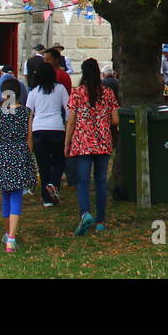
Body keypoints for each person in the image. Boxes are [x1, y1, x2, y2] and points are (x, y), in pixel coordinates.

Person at [65, 59, 119, 235]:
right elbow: (116, 120)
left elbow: (71, 121)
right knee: (101, 180)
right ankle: (101, 220)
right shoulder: (108, 92)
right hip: (103, 141)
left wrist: (67, 142)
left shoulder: (78, 93)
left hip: (83, 142)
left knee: (83, 181)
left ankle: (85, 213)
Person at [0, 78, 36, 253]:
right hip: (21, 154)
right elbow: (30, 140)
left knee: (5, 195)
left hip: (4, 154)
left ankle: (8, 233)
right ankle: (12, 238)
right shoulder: (26, 112)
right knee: (16, 196)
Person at [27, 60, 70, 205]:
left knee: (43, 164)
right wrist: (67, 125)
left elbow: (29, 114)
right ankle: (54, 183)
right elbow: (69, 110)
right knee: (59, 161)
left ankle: (46, 198)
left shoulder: (34, 92)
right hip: (56, 128)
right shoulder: (60, 89)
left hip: (39, 129)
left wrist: (29, 136)